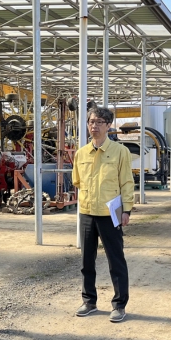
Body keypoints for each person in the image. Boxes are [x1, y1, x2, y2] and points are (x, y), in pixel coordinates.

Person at [72, 107, 134, 323]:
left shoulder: (120, 152)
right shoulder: (81, 153)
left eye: (99, 122)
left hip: (111, 213)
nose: (94, 126)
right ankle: (89, 301)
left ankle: (119, 304)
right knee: (86, 260)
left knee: (116, 260)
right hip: (87, 212)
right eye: (91, 122)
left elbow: (126, 182)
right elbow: (77, 181)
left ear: (108, 125)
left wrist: (126, 210)